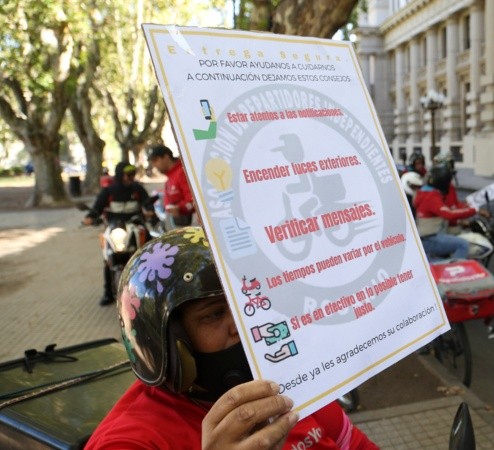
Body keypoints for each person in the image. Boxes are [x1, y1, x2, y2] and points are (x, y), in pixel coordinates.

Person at [85, 228, 378, 449]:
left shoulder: (291, 381)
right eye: (213, 314)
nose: (242, 324)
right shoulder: (129, 442)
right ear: (165, 344)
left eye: (245, 304)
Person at [82, 162, 154, 306]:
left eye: (132, 174)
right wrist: (90, 217)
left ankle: (151, 289)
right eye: (128, 175)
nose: (130, 178)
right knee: (107, 258)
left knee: (149, 253)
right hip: (115, 227)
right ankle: (108, 293)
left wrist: (149, 210)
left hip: (135, 225)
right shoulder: (108, 191)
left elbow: (147, 203)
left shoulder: (137, 189)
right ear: (120, 175)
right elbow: (97, 207)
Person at [414, 164, 480, 259]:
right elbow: (449, 214)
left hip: (428, 236)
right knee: (463, 245)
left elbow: (449, 207)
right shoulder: (431, 196)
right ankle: (456, 270)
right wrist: (473, 210)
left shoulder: (424, 193)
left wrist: (465, 207)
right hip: (430, 238)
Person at [147, 145, 195, 228]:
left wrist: (179, 207)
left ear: (166, 157)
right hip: (178, 225)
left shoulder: (182, 172)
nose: (154, 165)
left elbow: (193, 199)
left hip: (190, 225)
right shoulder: (170, 177)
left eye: (155, 160)